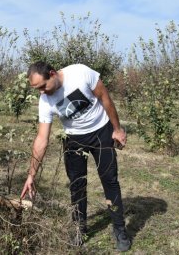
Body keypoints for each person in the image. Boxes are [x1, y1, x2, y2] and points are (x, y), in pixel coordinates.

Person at [20, 61, 131, 252]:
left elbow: (105, 98)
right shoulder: (45, 100)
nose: (41, 92)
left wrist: (117, 129)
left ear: (53, 74)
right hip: (73, 139)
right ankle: (80, 229)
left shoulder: (80, 73)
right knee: (77, 185)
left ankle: (120, 230)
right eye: (37, 89)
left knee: (110, 181)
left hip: (100, 132)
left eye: (43, 86)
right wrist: (31, 175)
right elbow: (41, 138)